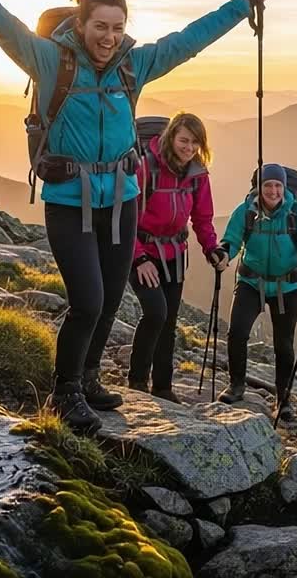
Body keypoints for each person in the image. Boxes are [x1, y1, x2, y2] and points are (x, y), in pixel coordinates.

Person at [0, 0, 269, 434]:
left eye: (118, 28)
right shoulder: (49, 61)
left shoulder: (132, 67)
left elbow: (189, 40)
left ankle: (92, 376)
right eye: (101, 26)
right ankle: (66, 391)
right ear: (80, 24)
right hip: (68, 198)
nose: (110, 37)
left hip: (122, 199)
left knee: (111, 297)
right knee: (89, 300)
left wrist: (242, 3)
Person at [124, 112, 225, 403]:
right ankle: (138, 380)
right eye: (184, 140)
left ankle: (163, 386)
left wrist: (211, 248)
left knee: (168, 320)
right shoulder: (146, 167)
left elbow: (202, 218)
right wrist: (139, 258)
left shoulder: (197, 174)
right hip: (142, 251)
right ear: (171, 137)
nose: (189, 147)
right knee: (156, 313)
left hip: (176, 254)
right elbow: (126, 215)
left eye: (195, 142)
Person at [215, 164, 297, 421]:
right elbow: (231, 241)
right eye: (268, 185)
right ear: (258, 188)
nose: (273, 191)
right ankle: (236, 385)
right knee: (237, 332)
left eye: (278, 185)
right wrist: (223, 255)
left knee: (283, 344)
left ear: (285, 187)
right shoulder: (246, 212)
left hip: (287, 287)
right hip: (250, 283)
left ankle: (283, 399)